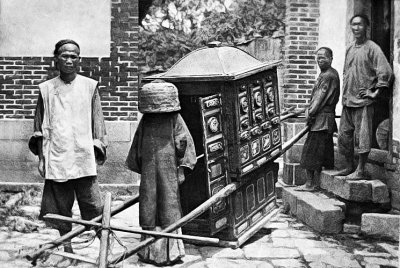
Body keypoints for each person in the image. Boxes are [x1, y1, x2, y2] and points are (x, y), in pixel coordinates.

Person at [29, 39, 107, 253]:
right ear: (57, 58)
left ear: (79, 59)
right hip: (57, 155)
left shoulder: (89, 86)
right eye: (65, 55)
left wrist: (97, 149)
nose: (70, 60)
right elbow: (39, 126)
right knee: (61, 207)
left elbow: (98, 122)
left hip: (82, 155)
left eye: (74, 56)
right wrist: (42, 159)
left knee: (93, 205)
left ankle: (105, 246)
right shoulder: (46, 89)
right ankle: (67, 247)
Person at [126, 80, 197, 266]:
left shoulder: (150, 120)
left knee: (156, 205)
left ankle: (153, 253)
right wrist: (182, 167)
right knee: (166, 205)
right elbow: (183, 143)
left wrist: (180, 167)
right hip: (166, 171)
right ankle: (167, 254)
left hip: (153, 171)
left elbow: (136, 150)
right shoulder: (174, 119)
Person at [332, 14, 392, 180]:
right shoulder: (350, 48)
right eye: (353, 25)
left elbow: (385, 71)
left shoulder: (373, 48)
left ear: (367, 27)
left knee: (362, 137)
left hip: (363, 102)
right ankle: (348, 166)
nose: (356, 28)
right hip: (348, 101)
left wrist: (374, 92)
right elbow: (346, 72)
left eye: (360, 25)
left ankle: (361, 170)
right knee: (344, 137)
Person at [296, 47, 340, 191]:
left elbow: (320, 98)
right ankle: (323, 185)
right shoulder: (326, 74)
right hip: (324, 118)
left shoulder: (328, 75)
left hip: (321, 119)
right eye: (318, 58)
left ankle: (310, 184)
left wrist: (311, 113)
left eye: (323, 57)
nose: (320, 60)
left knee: (311, 151)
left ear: (331, 58)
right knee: (325, 151)